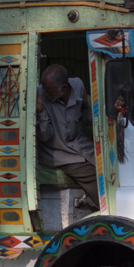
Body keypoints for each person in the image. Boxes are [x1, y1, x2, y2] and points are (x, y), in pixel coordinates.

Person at [37, 63, 101, 208]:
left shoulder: (78, 85)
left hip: (81, 145)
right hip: (58, 153)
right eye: (45, 90)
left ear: (64, 88)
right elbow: (44, 136)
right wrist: (40, 111)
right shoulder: (40, 95)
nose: (45, 94)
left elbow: (85, 109)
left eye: (50, 92)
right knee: (95, 175)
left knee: (110, 167)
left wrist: (95, 121)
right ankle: (109, 210)